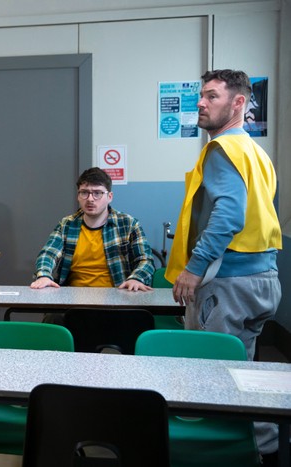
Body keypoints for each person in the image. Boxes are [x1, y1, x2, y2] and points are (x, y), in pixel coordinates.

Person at [165, 69, 282, 460]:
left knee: (213, 377)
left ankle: (216, 454)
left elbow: (229, 216)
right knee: (244, 373)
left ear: (237, 103)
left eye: (211, 96)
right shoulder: (256, 153)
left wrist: (194, 268)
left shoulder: (222, 150)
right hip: (263, 279)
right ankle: (261, 449)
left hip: (228, 282)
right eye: (201, 95)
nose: (200, 102)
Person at [31, 167, 154, 294]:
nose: (90, 199)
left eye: (97, 193)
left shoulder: (128, 224)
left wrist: (136, 278)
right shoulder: (67, 224)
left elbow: (145, 260)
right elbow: (48, 254)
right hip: (73, 298)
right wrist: (44, 275)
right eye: (84, 192)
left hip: (118, 297)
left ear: (109, 196)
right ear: (78, 196)